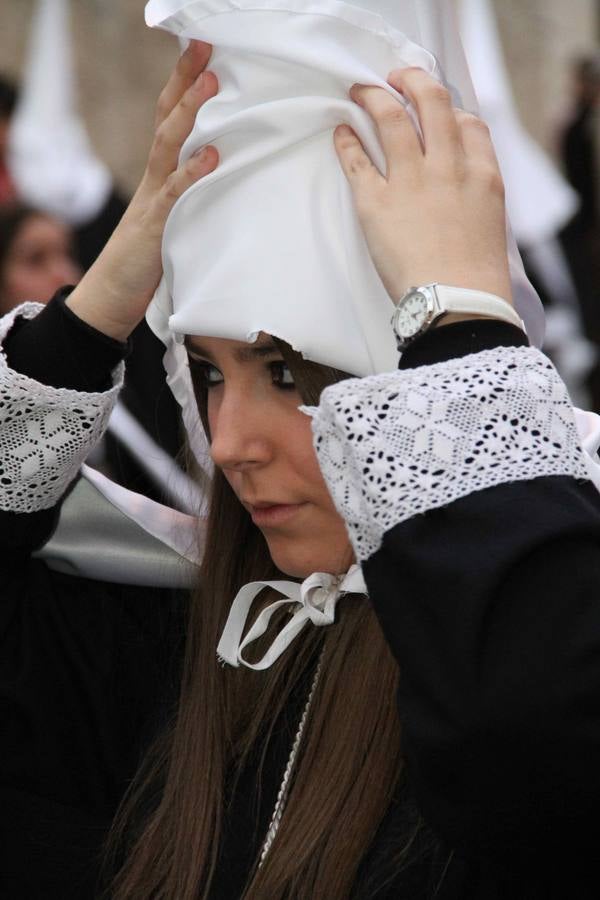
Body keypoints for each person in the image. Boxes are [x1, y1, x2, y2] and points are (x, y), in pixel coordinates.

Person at [3, 12, 600, 900]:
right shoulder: (180, 641)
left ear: (420, 380)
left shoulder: (548, 636)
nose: (231, 445)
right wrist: (98, 306)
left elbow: (532, 762)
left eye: (288, 371)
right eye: (205, 372)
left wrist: (457, 321)